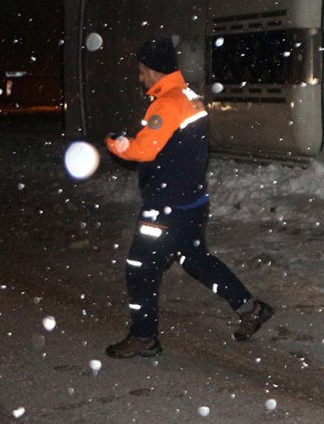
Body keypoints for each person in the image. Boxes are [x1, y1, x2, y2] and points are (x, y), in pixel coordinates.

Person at [104, 37, 273, 358]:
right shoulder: (189, 96)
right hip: (191, 200)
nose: (140, 77)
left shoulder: (168, 103)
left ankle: (144, 337)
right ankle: (250, 308)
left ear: (153, 71)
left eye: (142, 71)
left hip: (167, 207)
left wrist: (116, 143)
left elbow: (143, 149)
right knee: (196, 260)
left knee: (139, 269)